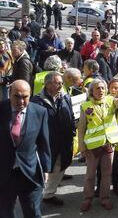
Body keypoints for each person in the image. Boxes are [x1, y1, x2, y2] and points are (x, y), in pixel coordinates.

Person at [77, 79, 118, 212]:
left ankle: (105, 198)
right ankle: (87, 199)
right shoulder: (86, 106)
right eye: (97, 88)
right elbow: (82, 128)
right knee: (90, 175)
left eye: (102, 88)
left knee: (106, 174)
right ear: (92, 91)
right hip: (93, 147)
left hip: (108, 145)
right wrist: (82, 147)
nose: (100, 90)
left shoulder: (110, 100)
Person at [0, 80, 51, 217]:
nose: (21, 101)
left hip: (29, 173)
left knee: (33, 211)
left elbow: (43, 142)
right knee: (5, 212)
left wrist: (46, 168)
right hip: (4, 173)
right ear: (9, 94)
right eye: (17, 96)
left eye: (25, 97)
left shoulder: (40, 112)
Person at [31, 72, 75, 206]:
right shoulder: (36, 101)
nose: (61, 85)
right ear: (48, 84)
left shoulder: (65, 98)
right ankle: (35, 199)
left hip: (64, 141)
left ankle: (49, 194)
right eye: (58, 83)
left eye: (62, 83)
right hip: (46, 143)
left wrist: (72, 131)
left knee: (60, 167)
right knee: (42, 171)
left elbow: (71, 116)